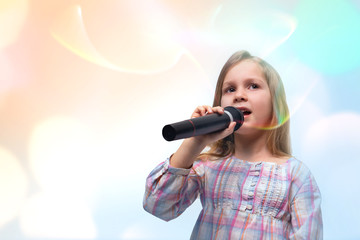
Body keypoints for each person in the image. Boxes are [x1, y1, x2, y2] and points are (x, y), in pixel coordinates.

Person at [143, 50, 323, 239]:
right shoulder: (207, 167)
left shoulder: (296, 175)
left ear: (275, 105)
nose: (239, 95)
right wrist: (195, 142)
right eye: (230, 89)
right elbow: (157, 205)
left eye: (253, 86)